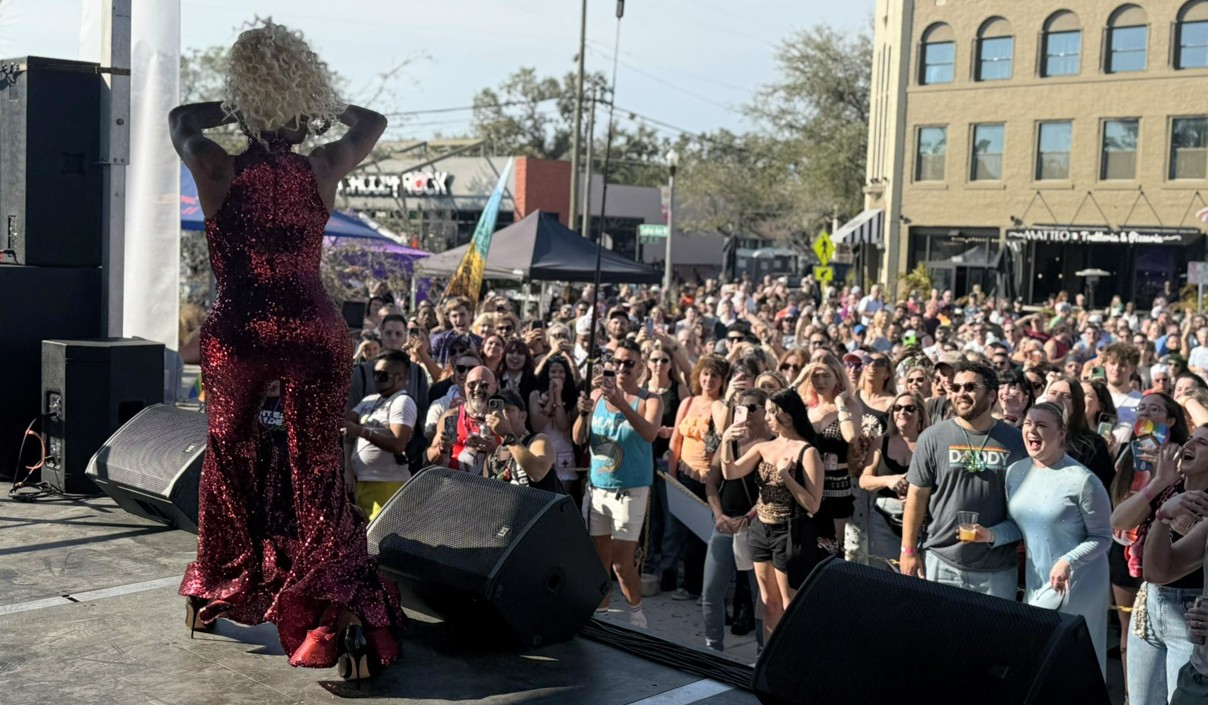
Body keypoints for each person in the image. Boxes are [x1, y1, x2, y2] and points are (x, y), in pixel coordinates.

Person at [172, 19, 402, 677]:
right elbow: (372, 121)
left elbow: (180, 119)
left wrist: (241, 104)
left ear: (246, 108)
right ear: (300, 112)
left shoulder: (214, 164)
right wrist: (314, 102)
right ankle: (344, 616)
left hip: (240, 329)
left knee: (230, 460)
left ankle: (218, 582)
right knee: (318, 466)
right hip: (311, 326)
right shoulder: (323, 164)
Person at [990, 403, 1112, 675]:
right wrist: (990, 535)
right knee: (1041, 662)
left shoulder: (1083, 479)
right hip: (1038, 579)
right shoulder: (1015, 472)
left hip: (1079, 582)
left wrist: (1068, 561)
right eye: (1028, 424)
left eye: (1042, 425)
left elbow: (1103, 537)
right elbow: (1019, 526)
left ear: (1061, 433)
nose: (1032, 430)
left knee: (1072, 663)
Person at [900, 360, 1027, 600]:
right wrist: (908, 550)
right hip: (942, 560)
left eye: (970, 387)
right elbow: (916, 498)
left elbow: (1024, 507)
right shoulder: (933, 437)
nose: (961, 394)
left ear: (991, 395)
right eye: (956, 388)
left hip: (997, 567)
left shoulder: (1016, 442)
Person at [720, 388, 825, 643]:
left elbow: (813, 504)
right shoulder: (764, 447)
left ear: (787, 417)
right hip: (761, 531)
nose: (766, 417)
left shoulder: (807, 452)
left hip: (790, 532)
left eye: (771, 412)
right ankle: (768, 660)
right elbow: (730, 473)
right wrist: (725, 442)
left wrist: (787, 476)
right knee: (769, 603)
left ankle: (793, 660)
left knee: (791, 605)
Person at [573, 340, 664, 628]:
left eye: (629, 363)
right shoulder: (598, 395)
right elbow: (578, 438)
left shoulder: (650, 400)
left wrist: (622, 403)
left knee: (622, 563)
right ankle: (602, 615)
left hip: (630, 490)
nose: (623, 369)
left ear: (640, 366)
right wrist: (584, 413)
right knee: (599, 560)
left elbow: (650, 433)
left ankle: (637, 616)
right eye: (618, 363)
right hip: (598, 487)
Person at [1141, 425, 1208, 704]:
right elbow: (1158, 572)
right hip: (1198, 675)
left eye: (1201, 441)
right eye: (1190, 438)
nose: (1189, 444)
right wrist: (1163, 517)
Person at [703, 388, 772, 651]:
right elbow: (711, 483)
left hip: (758, 528)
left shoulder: (774, 443)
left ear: (767, 412)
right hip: (725, 525)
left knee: (761, 597)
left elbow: (773, 491)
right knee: (711, 591)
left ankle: (762, 650)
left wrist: (749, 516)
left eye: (753, 407)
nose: (746, 413)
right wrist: (718, 515)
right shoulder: (729, 442)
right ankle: (712, 648)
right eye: (741, 408)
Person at [342, 351, 417, 521]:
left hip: (388, 484)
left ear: (399, 378)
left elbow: (398, 445)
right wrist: (347, 467)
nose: (376, 379)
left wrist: (362, 431)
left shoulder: (402, 402)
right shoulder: (370, 400)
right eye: (374, 374)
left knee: (382, 541)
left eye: (382, 375)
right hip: (363, 482)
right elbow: (345, 425)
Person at [860, 391, 929, 568]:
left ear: (920, 413)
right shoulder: (881, 442)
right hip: (884, 517)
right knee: (883, 574)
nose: (902, 412)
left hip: (921, 518)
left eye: (909, 408)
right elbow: (864, 480)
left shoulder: (929, 442)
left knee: (918, 576)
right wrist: (888, 480)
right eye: (897, 408)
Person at [483, 389, 561, 493]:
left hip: (541, 508)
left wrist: (507, 435)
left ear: (523, 416)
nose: (502, 414)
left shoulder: (538, 440)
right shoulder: (492, 459)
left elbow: (537, 473)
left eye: (508, 410)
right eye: (498, 410)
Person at [426, 366, 499, 475]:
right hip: (457, 485)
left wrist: (497, 449)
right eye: (472, 384)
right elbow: (431, 457)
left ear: (494, 387)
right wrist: (442, 449)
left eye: (484, 385)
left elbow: (515, 454)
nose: (477, 389)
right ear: (465, 387)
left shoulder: (501, 417)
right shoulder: (452, 416)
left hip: (492, 487)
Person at [529, 354, 581, 504]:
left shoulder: (573, 398)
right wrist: (549, 401)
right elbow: (537, 426)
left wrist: (557, 397)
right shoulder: (535, 395)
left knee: (563, 500)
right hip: (541, 453)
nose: (557, 375)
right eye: (553, 372)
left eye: (561, 372)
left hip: (564, 456)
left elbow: (563, 426)